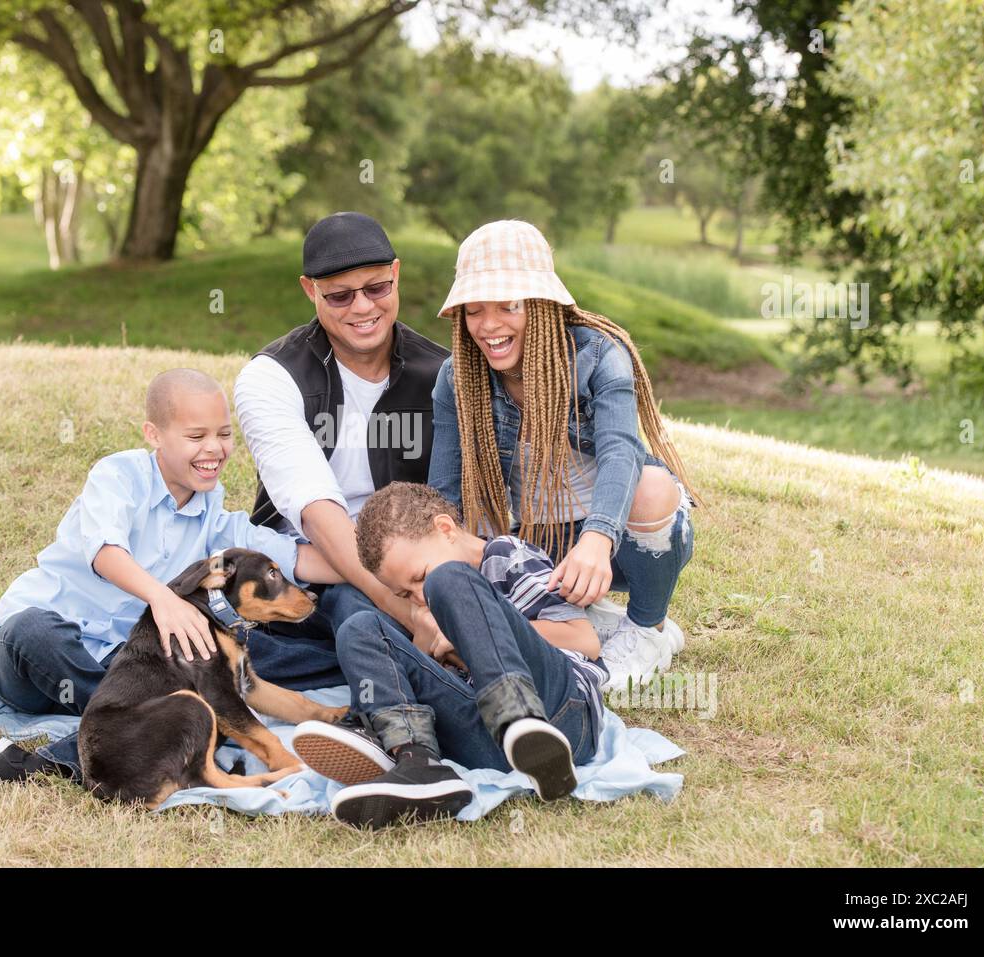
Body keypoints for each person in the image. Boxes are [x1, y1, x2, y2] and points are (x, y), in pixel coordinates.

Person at [0, 368, 339, 796]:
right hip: (31, 660)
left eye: (223, 434)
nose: (214, 449)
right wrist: (163, 598)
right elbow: (106, 552)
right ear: (154, 434)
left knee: (243, 660)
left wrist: (381, 572)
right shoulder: (118, 477)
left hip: (121, 672)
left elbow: (298, 560)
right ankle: (192, 735)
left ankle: (88, 756)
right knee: (34, 629)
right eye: (196, 436)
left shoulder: (214, 519)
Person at [428, 220, 699, 690]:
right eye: (475, 309)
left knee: (653, 487)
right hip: (533, 544)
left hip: (612, 543)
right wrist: (441, 580)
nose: (489, 325)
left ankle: (646, 630)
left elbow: (621, 451)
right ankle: (592, 619)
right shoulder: (458, 378)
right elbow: (446, 495)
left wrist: (597, 538)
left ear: (542, 305)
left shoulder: (598, 355)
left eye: (509, 305)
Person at [293, 482, 610, 829]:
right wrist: (427, 648)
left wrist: (469, 630)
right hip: (483, 740)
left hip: (559, 718)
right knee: (359, 628)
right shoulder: (427, 610)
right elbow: (413, 676)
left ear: (445, 529)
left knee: (447, 579)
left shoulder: (506, 557)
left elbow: (585, 640)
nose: (419, 598)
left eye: (419, 578)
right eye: (404, 593)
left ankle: (522, 723)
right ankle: (418, 763)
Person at [233, 211, 449, 692]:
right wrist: (406, 612)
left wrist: (435, 594)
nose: (362, 308)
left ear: (396, 274)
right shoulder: (271, 377)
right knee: (357, 616)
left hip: (415, 564)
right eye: (339, 296)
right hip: (307, 561)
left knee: (356, 631)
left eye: (376, 288)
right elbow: (319, 514)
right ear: (310, 291)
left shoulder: (441, 376)